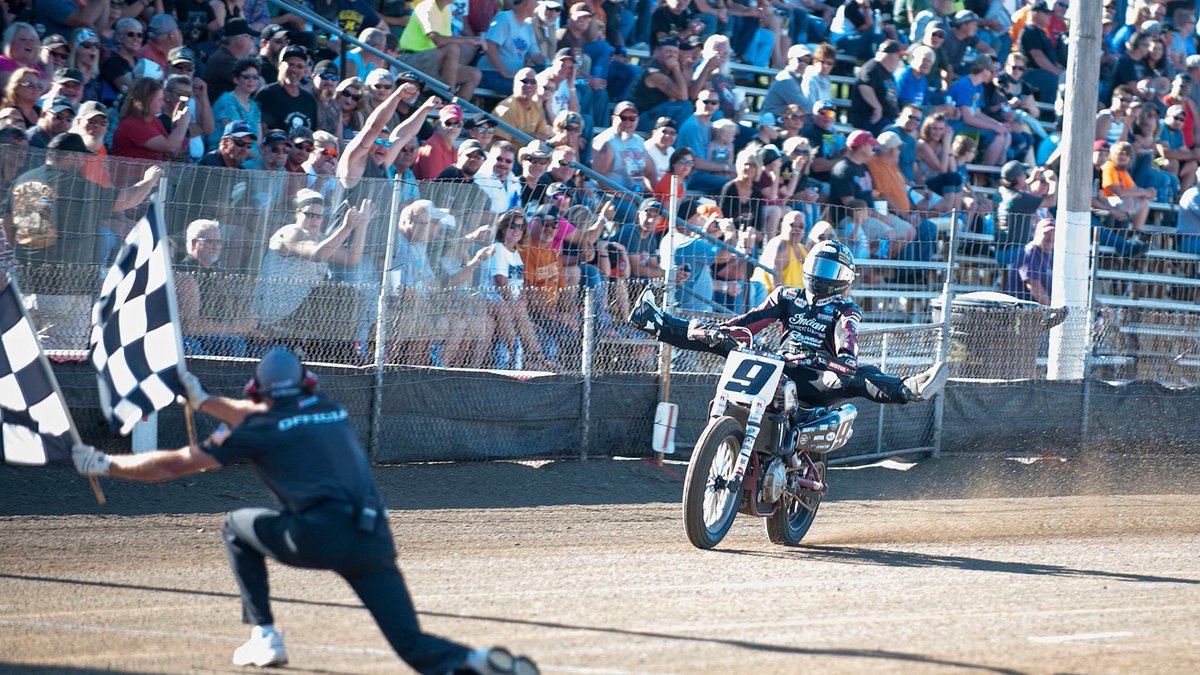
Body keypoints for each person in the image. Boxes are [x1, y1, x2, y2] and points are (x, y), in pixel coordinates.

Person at [70, 348, 539, 675]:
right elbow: (268, 418)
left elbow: (171, 467)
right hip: (374, 536)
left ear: (257, 389)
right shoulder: (330, 408)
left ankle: (265, 637)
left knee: (236, 526)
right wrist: (203, 401)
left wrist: (106, 463)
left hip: (318, 533)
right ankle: (475, 661)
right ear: (306, 383)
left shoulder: (258, 427)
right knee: (413, 647)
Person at [628, 240, 949, 409]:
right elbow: (747, 324)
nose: (824, 275)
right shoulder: (787, 296)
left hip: (818, 376)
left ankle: (908, 388)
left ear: (844, 279)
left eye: (832, 270)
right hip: (777, 365)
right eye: (820, 266)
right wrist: (723, 333)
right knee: (717, 336)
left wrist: (832, 362)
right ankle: (653, 320)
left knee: (858, 376)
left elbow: (846, 351)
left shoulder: (845, 310)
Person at [1004, 217, 1054, 305]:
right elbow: (1034, 285)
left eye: (1053, 234)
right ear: (1035, 233)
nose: (1050, 238)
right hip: (1022, 310)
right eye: (1046, 233)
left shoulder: (1051, 256)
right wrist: (1052, 311)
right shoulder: (1030, 252)